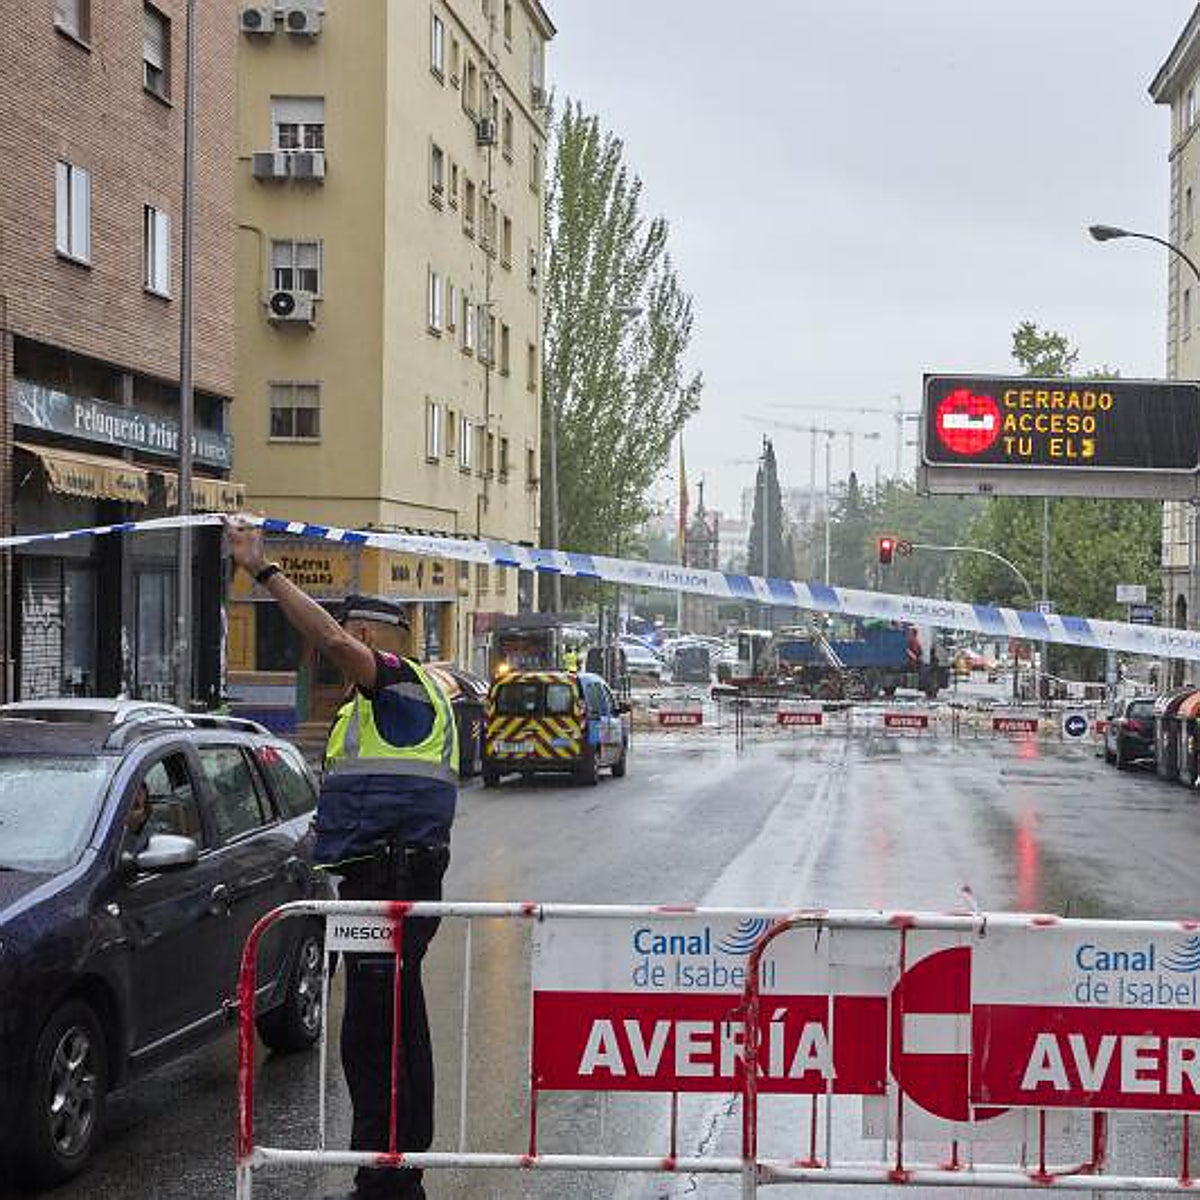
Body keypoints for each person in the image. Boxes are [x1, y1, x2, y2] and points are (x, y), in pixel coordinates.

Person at [224, 517, 457, 1200]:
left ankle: (386, 1177)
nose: (343, 641)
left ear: (374, 638)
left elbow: (326, 638)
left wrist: (263, 569)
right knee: (388, 1026)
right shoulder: (374, 708)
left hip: (393, 875)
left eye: (355, 632)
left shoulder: (401, 688)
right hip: (381, 874)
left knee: (375, 1033)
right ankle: (393, 1168)